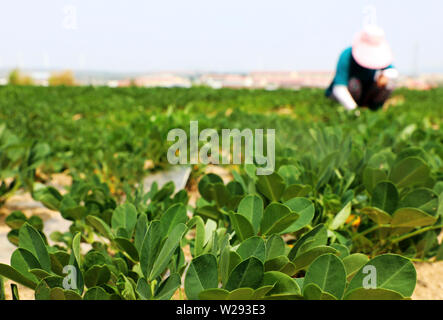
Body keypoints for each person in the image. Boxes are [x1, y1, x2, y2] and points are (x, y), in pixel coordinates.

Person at [326, 24, 399, 112]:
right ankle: (357, 109)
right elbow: (339, 88)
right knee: (354, 84)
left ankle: (375, 109)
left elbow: (393, 72)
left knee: (388, 82)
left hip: (365, 93)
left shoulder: (380, 56)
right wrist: (355, 111)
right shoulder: (347, 55)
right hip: (348, 94)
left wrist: (385, 75)